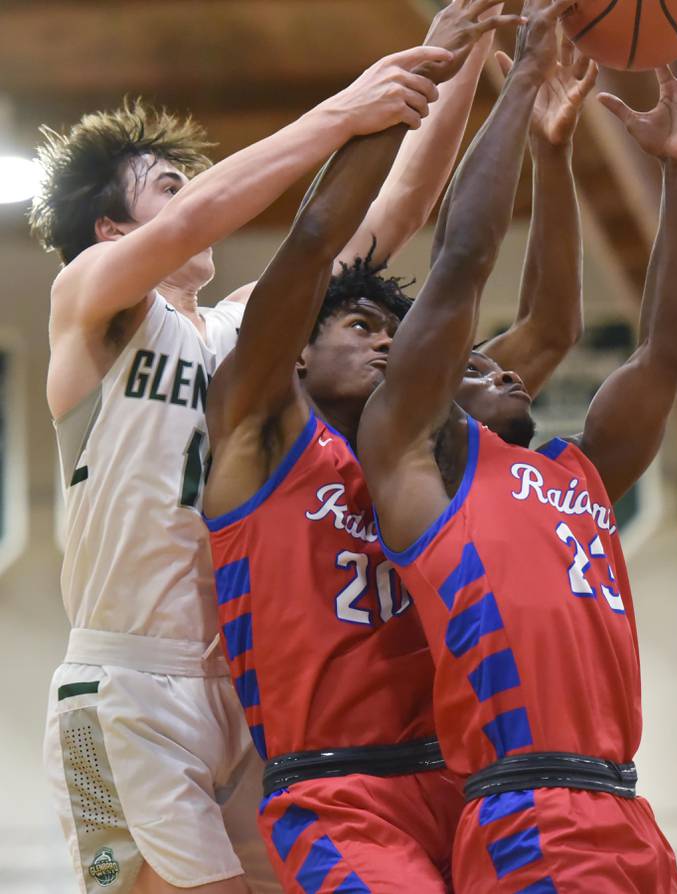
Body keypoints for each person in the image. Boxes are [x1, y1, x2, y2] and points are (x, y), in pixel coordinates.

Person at [31, 38, 457, 894]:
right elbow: (201, 219)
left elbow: (399, 208)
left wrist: (463, 43)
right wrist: (345, 110)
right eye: (170, 184)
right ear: (112, 232)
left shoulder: (240, 334)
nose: (196, 198)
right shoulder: (91, 303)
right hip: (127, 683)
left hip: (246, 682)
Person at [357, 1, 677, 889]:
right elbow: (464, 258)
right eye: (475, 367)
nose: (506, 370)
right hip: (530, 815)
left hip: (630, 812)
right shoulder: (419, 465)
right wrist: (517, 82)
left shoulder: (579, 472)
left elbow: (667, 351)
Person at [202, 3, 549, 890]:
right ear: (299, 351)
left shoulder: (418, 456)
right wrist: (408, 82)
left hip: (463, 785)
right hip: (338, 791)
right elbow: (317, 241)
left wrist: (549, 138)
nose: (385, 342)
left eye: (391, 329)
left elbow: (537, 327)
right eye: (359, 324)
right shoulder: (258, 426)